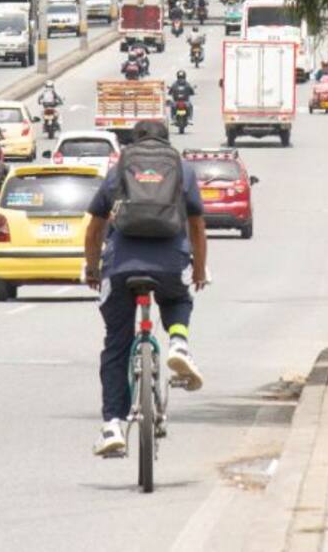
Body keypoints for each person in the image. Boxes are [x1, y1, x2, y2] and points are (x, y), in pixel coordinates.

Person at [84, 119, 209, 456]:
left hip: (121, 266)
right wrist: (197, 268)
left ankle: (113, 424)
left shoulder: (120, 168)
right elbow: (197, 224)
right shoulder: (181, 169)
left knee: (116, 346)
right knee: (177, 297)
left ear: (134, 141)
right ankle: (179, 342)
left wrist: (92, 268)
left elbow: (95, 227)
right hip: (170, 261)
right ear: (167, 140)